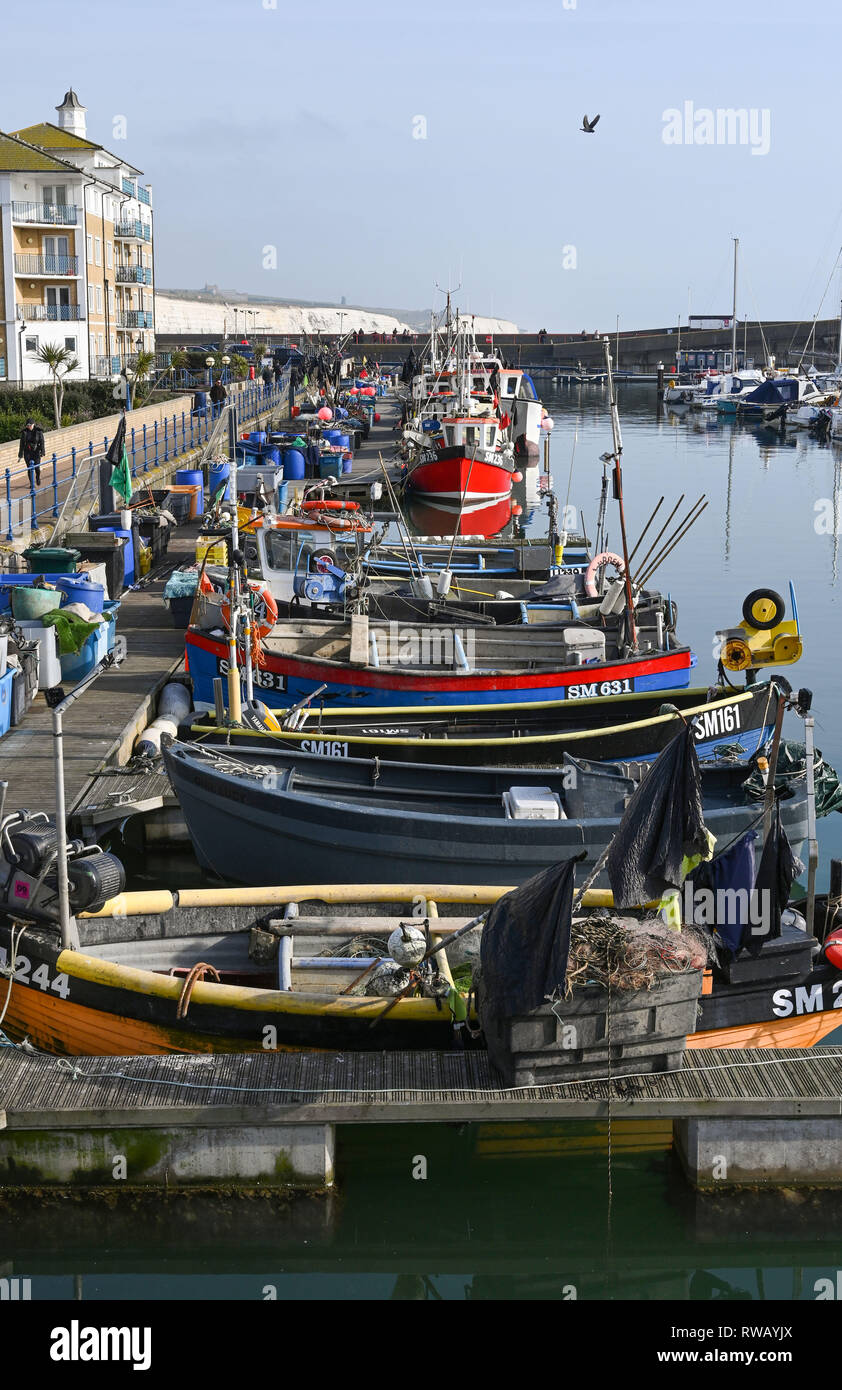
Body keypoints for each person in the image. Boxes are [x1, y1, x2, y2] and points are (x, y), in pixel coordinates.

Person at [19, 418, 45, 487]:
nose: (28, 426)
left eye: (30, 425)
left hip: (36, 451)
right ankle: (31, 484)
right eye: (27, 425)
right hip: (27, 452)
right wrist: (20, 455)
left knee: (37, 468)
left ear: (33, 424)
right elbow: (21, 444)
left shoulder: (39, 431)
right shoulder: (24, 432)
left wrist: (42, 451)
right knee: (30, 468)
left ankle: (38, 477)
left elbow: (42, 442)